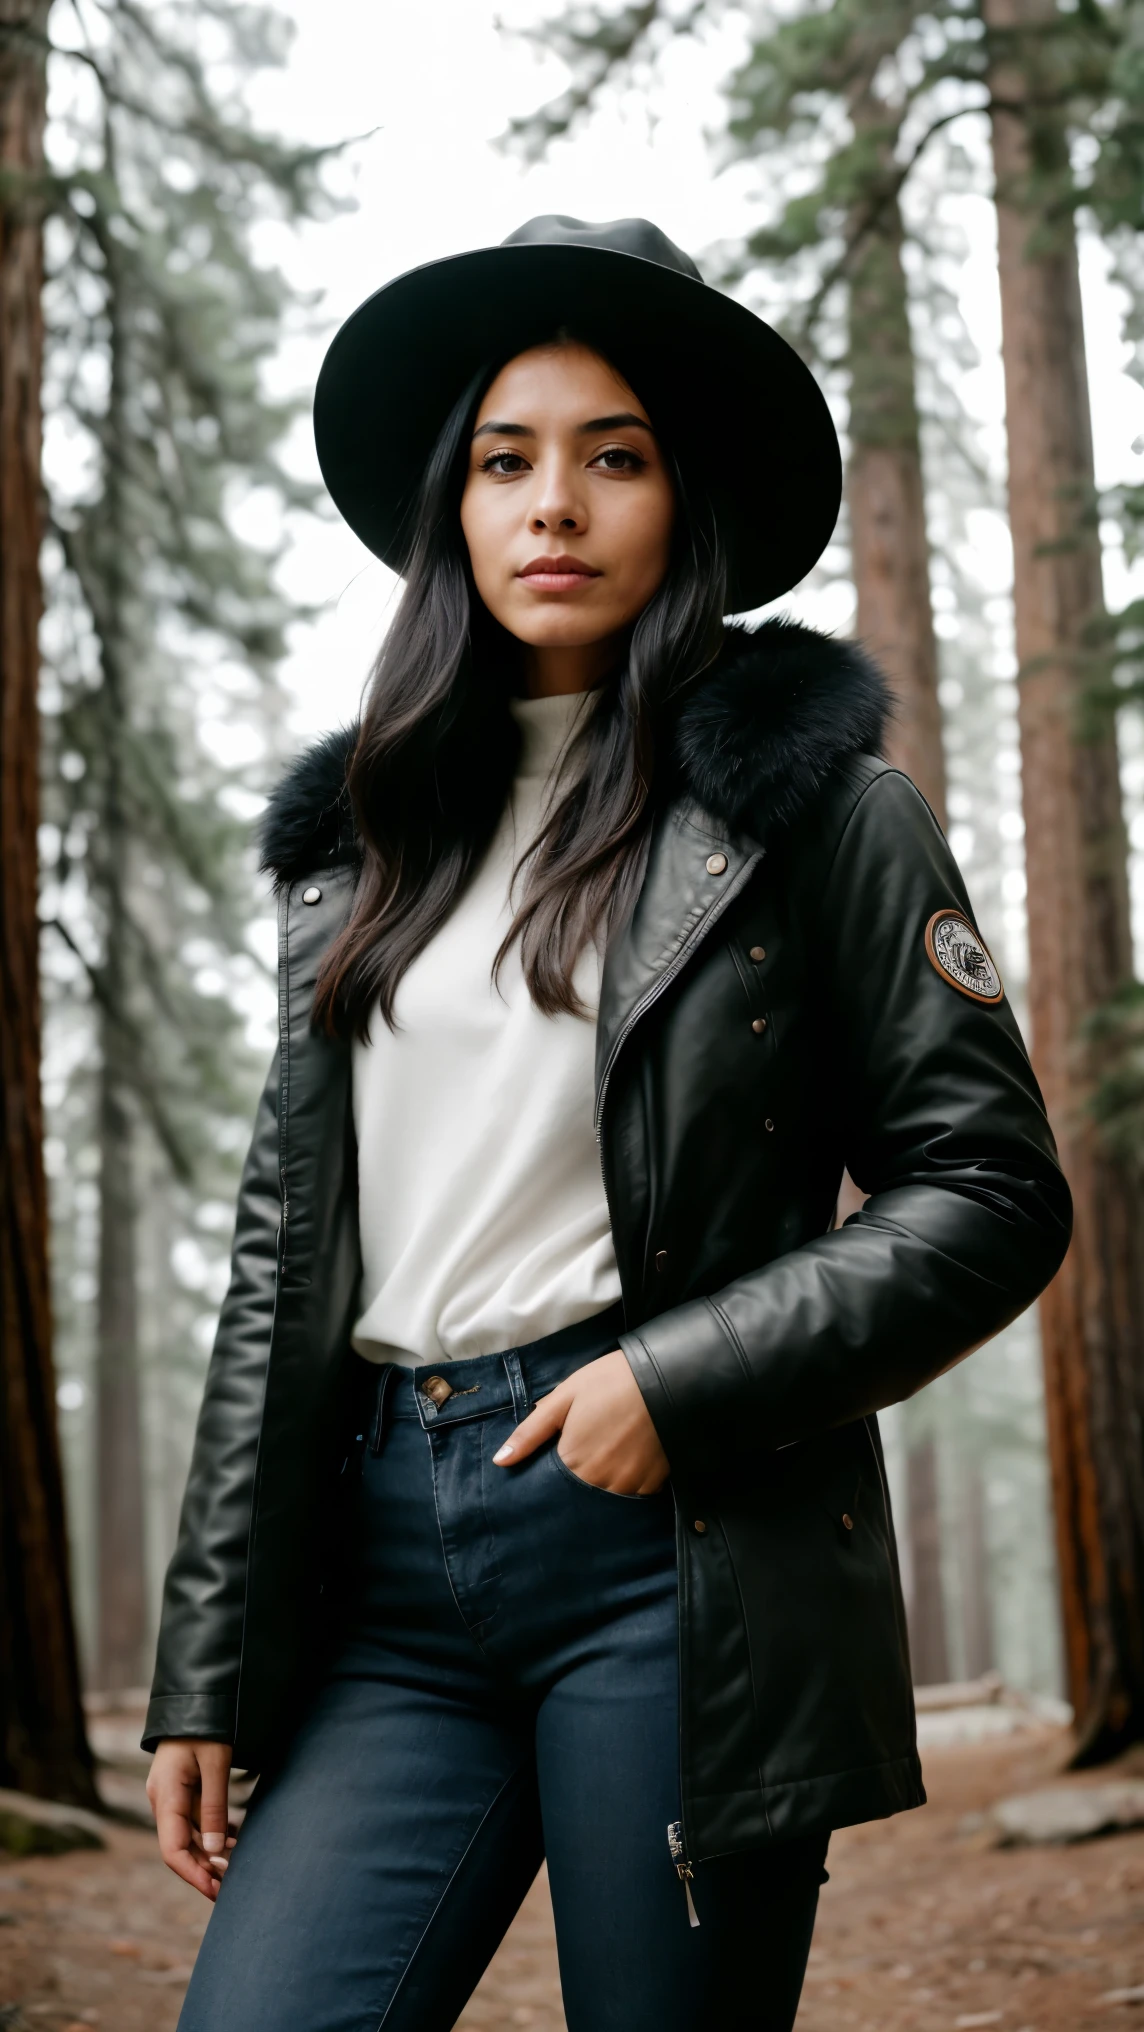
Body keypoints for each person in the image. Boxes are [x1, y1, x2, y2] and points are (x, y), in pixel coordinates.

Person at [143, 216, 1071, 2032]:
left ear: (684, 500)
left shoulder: (816, 811)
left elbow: (991, 1188)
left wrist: (684, 1379)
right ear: (453, 507)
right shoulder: (361, 849)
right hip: (387, 1577)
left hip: (675, 1555)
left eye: (612, 456)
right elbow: (281, 1266)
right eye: (506, 461)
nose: (552, 505)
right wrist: (210, 1658)